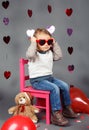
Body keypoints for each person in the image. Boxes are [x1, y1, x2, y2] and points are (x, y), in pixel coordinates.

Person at [26, 28, 77, 126]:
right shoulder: (34, 54)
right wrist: (32, 43)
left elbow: (59, 56)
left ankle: (66, 108)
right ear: (35, 42)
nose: (46, 44)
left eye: (49, 41)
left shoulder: (49, 53)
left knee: (65, 86)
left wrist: (55, 43)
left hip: (49, 78)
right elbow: (29, 54)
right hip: (37, 81)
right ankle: (56, 114)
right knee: (54, 88)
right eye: (42, 42)